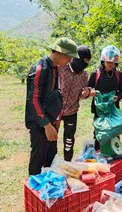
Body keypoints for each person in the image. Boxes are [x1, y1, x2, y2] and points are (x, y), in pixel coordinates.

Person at [25, 37, 79, 175]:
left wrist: (56, 120)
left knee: (51, 157)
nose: (70, 61)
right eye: (69, 57)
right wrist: (47, 125)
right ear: (59, 53)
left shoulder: (55, 68)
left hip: (51, 121)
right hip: (40, 124)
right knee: (38, 158)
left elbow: (55, 95)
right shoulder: (40, 69)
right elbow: (33, 100)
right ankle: (34, 190)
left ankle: (48, 188)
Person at [88, 45, 122, 151]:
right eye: (108, 62)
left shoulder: (118, 74)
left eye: (113, 63)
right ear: (103, 61)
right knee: (99, 131)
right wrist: (91, 91)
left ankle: (116, 153)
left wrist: (117, 97)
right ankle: (98, 152)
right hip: (99, 108)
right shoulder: (96, 74)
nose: (110, 65)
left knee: (115, 129)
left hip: (113, 107)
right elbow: (89, 87)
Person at [58, 45, 92, 161]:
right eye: (84, 60)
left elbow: (82, 94)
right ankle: (49, 165)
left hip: (72, 112)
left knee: (69, 140)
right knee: (50, 140)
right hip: (55, 111)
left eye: (88, 61)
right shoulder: (61, 68)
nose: (86, 63)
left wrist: (86, 93)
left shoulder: (84, 75)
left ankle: (67, 163)